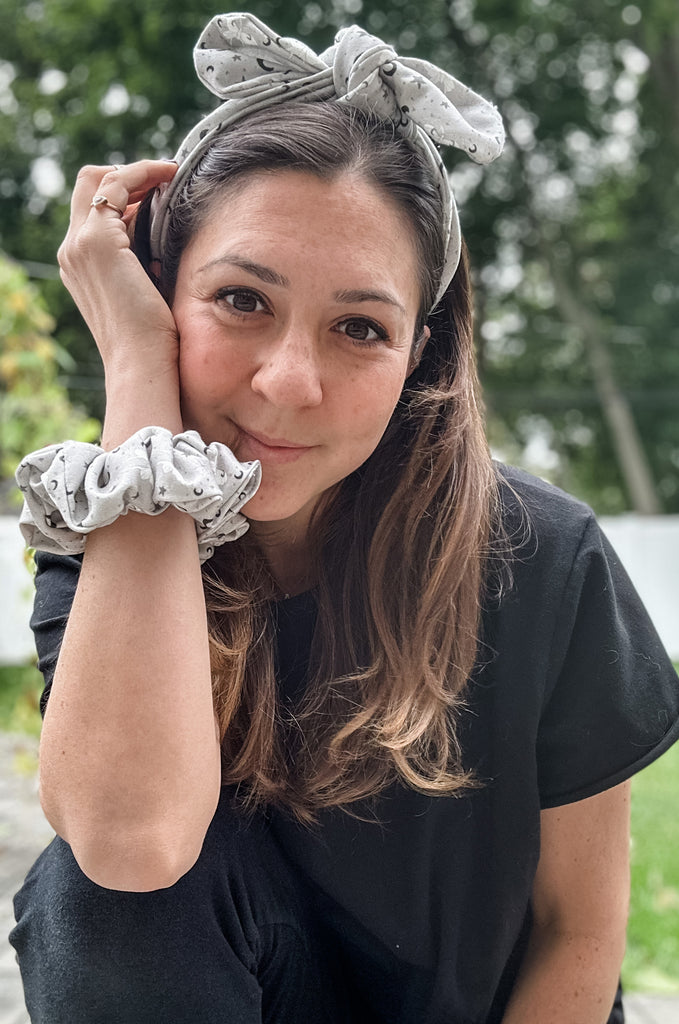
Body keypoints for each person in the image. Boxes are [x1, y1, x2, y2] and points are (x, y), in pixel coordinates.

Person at [9, 12, 679, 1024]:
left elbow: (576, 933)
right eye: (241, 300)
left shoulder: (539, 556)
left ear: (420, 356)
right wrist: (137, 366)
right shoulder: (120, 541)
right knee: (91, 901)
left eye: (359, 327)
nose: (290, 381)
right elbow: (127, 844)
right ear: (160, 290)